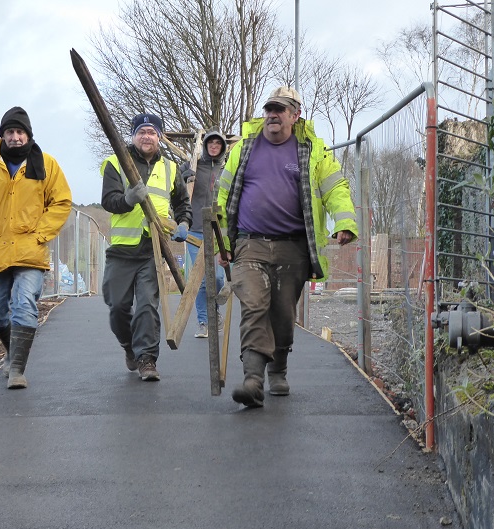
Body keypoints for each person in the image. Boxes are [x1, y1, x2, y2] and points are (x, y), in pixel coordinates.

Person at [217, 86, 358, 408]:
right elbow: (222, 196)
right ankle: (252, 379)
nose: (272, 115)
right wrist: (222, 243)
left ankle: (278, 368)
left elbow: (335, 188)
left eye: (280, 110)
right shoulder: (245, 149)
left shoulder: (313, 151)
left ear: (295, 116)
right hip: (250, 244)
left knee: (282, 314)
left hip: (293, 247)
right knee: (253, 305)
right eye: (269, 109)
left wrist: (345, 222)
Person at [0, 106, 72, 389]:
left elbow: (61, 202)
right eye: (10, 132)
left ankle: (17, 370)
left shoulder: (46, 164)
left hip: (30, 249)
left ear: (28, 135)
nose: (15, 137)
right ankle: (12, 350)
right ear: (2, 135)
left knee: (24, 305)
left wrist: (41, 234)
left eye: (20, 132)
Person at [100, 113, 192, 381]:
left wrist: (184, 222)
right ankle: (129, 347)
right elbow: (109, 201)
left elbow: (182, 204)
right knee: (117, 306)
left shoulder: (171, 169)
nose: (146, 136)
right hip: (121, 250)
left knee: (147, 307)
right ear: (133, 136)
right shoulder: (116, 163)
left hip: (152, 249)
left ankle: (147, 359)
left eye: (152, 132)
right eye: (141, 132)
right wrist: (128, 199)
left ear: (159, 137)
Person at [179, 131, 228, 339]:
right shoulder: (194, 165)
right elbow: (175, 187)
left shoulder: (227, 170)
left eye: (218, 143)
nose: (214, 146)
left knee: (216, 277)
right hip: (195, 230)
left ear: (223, 147)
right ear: (205, 145)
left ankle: (214, 308)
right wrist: (183, 179)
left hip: (217, 231)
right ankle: (202, 322)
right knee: (200, 278)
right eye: (211, 142)